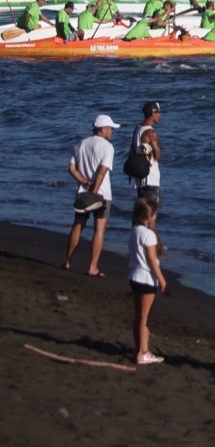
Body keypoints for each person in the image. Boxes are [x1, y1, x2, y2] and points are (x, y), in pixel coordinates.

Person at [63, 113, 120, 278]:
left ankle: (67, 260)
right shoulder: (107, 147)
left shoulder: (80, 144)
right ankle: (92, 267)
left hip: (82, 192)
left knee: (78, 225)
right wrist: (94, 191)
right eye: (111, 128)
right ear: (103, 129)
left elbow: (71, 169)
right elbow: (102, 172)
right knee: (99, 229)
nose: (112, 131)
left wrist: (85, 183)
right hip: (101, 194)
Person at [128, 195, 167, 365]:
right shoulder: (148, 235)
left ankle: (139, 349)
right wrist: (163, 281)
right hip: (145, 278)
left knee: (139, 316)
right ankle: (143, 351)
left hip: (134, 276)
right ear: (149, 216)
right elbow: (152, 260)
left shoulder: (135, 231)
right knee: (145, 317)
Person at [130, 101, 162, 207]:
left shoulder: (138, 128)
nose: (160, 115)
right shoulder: (150, 132)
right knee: (151, 212)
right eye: (158, 112)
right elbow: (157, 156)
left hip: (140, 176)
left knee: (141, 210)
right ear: (153, 114)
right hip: (150, 176)